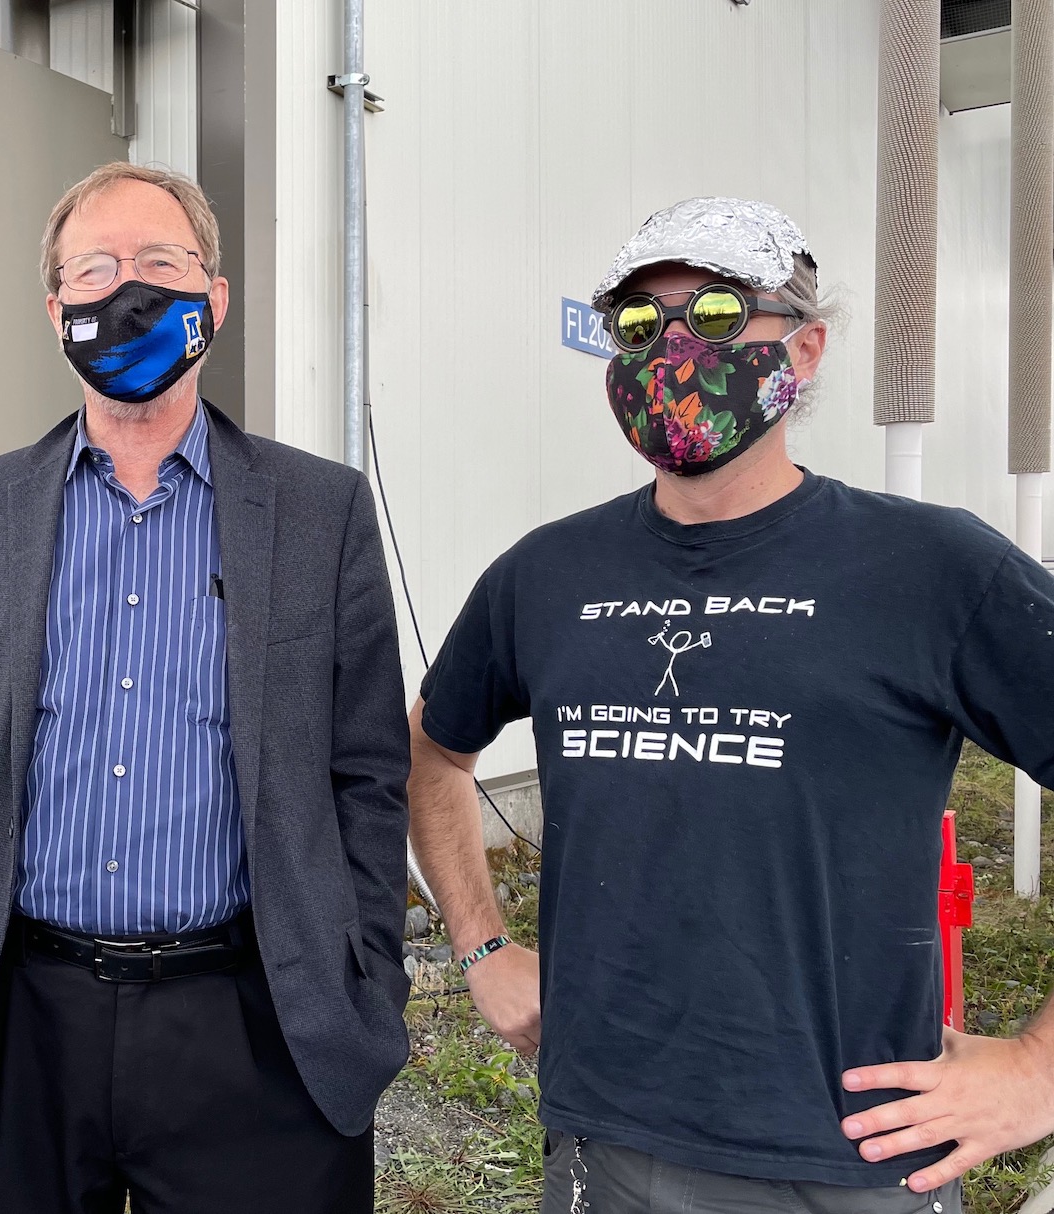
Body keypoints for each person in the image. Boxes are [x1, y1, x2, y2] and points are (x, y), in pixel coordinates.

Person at [407, 196, 1054, 1213]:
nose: (670, 348)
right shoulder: (545, 572)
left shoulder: (932, 567)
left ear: (804, 348)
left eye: (714, 314)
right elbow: (435, 754)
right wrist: (482, 946)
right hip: (605, 1140)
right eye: (637, 323)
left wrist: (1039, 1069)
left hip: (852, 1155)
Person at [0, 161, 412, 1214]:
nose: (129, 292)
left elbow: (368, 776)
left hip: (254, 1032)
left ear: (215, 298)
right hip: (21, 1030)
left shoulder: (318, 513)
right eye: (97, 269)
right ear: (55, 306)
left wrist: (367, 987)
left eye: (162, 264)